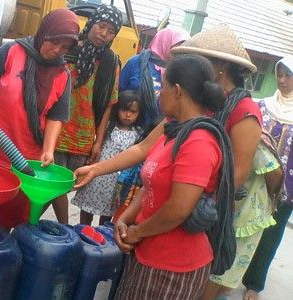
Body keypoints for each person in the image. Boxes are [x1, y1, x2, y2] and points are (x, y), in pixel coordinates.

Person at [89, 54, 229, 298]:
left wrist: (137, 231)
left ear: (177, 91)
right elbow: (151, 181)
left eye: (162, 86)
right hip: (146, 252)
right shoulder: (173, 126)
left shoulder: (198, 142)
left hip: (173, 267)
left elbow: (178, 209)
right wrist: (124, 219)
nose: (158, 93)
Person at [171, 24, 280, 300]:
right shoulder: (206, 99)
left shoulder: (244, 112)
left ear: (219, 68)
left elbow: (237, 175)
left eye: (200, 61)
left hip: (229, 209)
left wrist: (186, 188)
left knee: (211, 279)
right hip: (201, 198)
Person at [0, 8, 80, 229]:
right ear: (45, 32)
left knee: (8, 222)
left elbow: (55, 117)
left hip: (24, 162)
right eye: (54, 42)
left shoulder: (62, 74)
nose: (57, 51)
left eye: (64, 47)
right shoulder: (12, 51)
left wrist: (48, 150)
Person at [52, 4, 124, 224]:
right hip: (56, 132)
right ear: (92, 23)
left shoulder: (111, 62)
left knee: (64, 186)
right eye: (101, 26)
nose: (104, 34)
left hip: (83, 137)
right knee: (54, 185)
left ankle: (38, 225)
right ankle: (61, 227)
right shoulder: (68, 49)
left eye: (110, 31)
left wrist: (98, 142)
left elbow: (109, 106)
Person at [242, 56, 293, 300]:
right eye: (280, 74)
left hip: (287, 189)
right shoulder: (262, 105)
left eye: (289, 75)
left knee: (271, 234)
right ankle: (229, 272)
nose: (283, 80)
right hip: (253, 181)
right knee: (242, 226)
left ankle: (254, 282)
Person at [71, 90, 143, 225]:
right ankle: (82, 230)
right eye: (124, 110)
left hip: (116, 182)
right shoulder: (108, 126)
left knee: (107, 213)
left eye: (133, 112)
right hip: (97, 177)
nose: (128, 115)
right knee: (87, 208)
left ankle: (101, 234)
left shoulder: (138, 134)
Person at [119, 27, 189, 133]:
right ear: (165, 41)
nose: (180, 49)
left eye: (183, 46)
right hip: (127, 130)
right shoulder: (136, 63)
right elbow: (117, 94)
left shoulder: (178, 72)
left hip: (157, 132)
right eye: (177, 44)